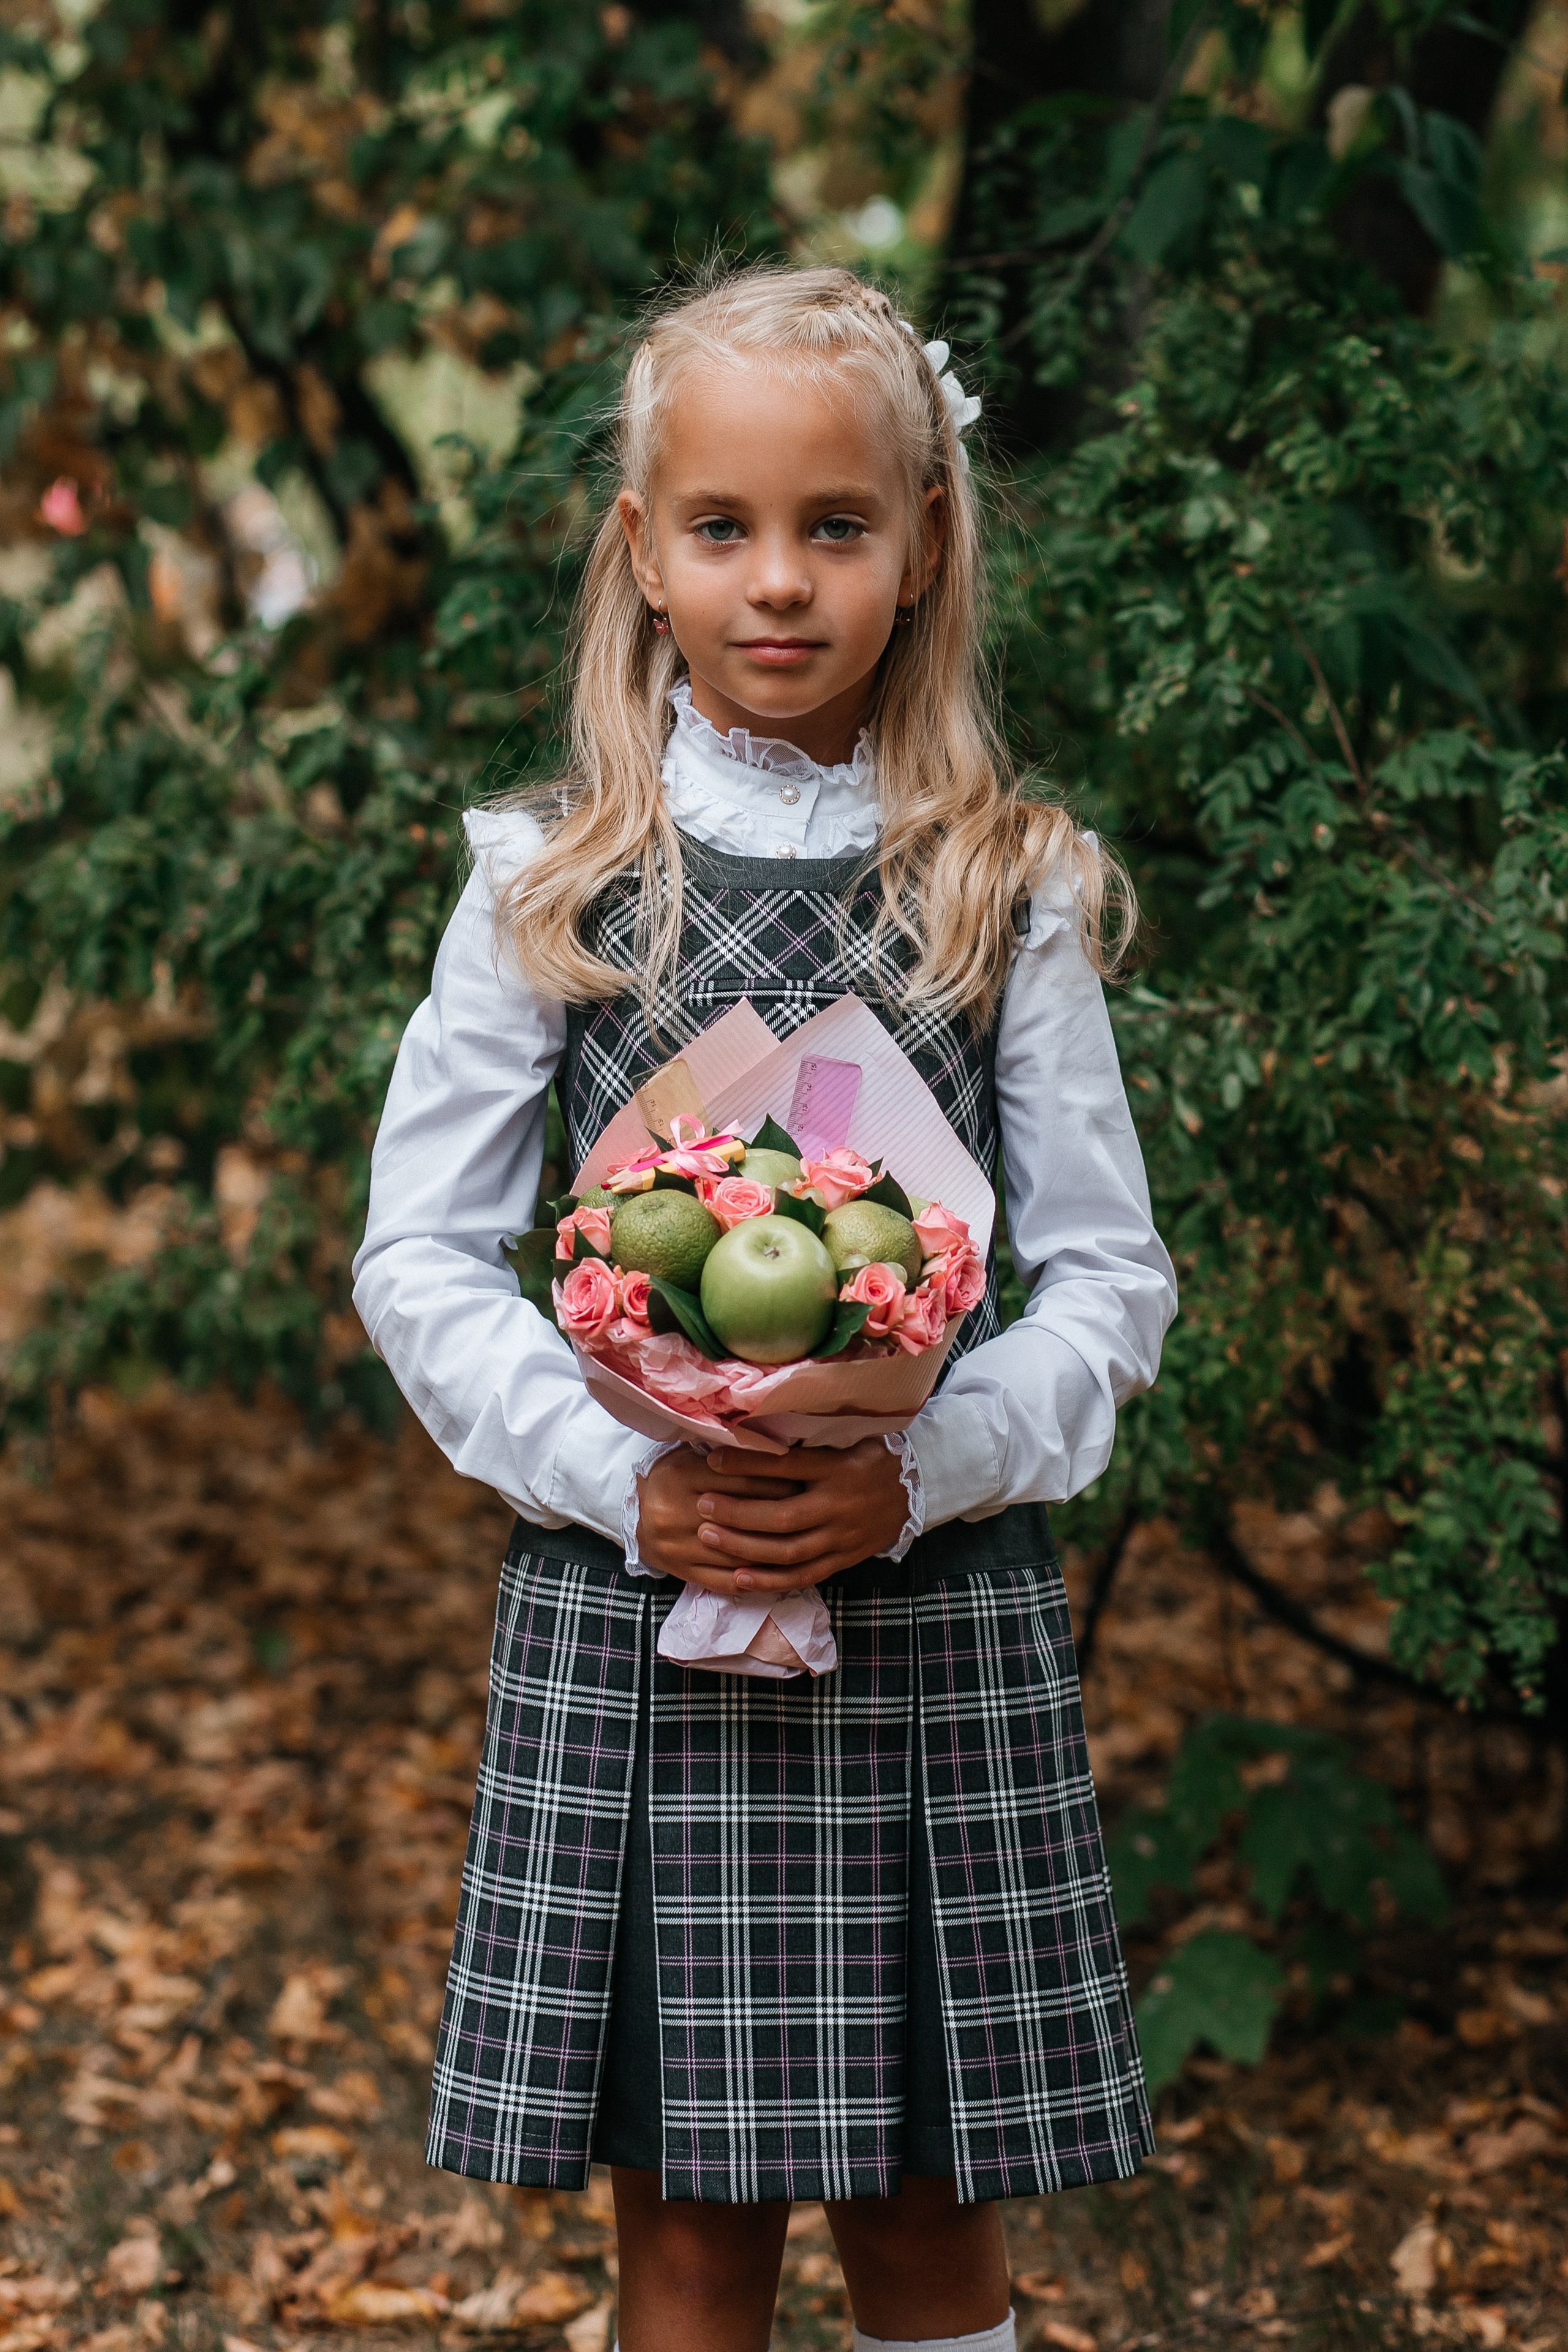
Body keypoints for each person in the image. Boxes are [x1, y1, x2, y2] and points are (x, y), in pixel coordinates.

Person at [352, 262, 1177, 2352]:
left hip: (930, 1610)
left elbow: (1108, 1281)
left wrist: (925, 1469)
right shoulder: (550, 883)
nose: (781, 583)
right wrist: (621, 1482)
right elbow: (424, 1258)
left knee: (924, 2207)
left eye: (838, 527)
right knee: (692, 2237)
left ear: (926, 547)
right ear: (641, 553)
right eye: (723, 529)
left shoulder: (1007, 882)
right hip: (646, 1613)